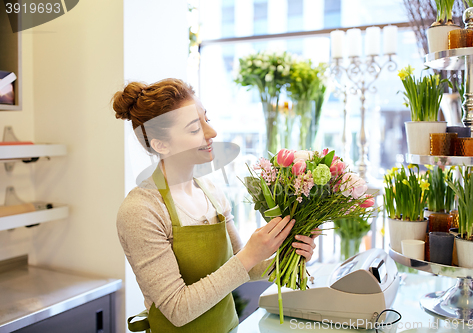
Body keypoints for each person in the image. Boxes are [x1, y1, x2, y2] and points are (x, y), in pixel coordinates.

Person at [112, 78, 319, 333]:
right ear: (161, 145)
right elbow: (177, 309)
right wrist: (250, 254)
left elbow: (247, 267)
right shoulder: (141, 210)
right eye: (193, 129)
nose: (212, 133)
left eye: (206, 120)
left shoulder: (211, 192)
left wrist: (291, 255)